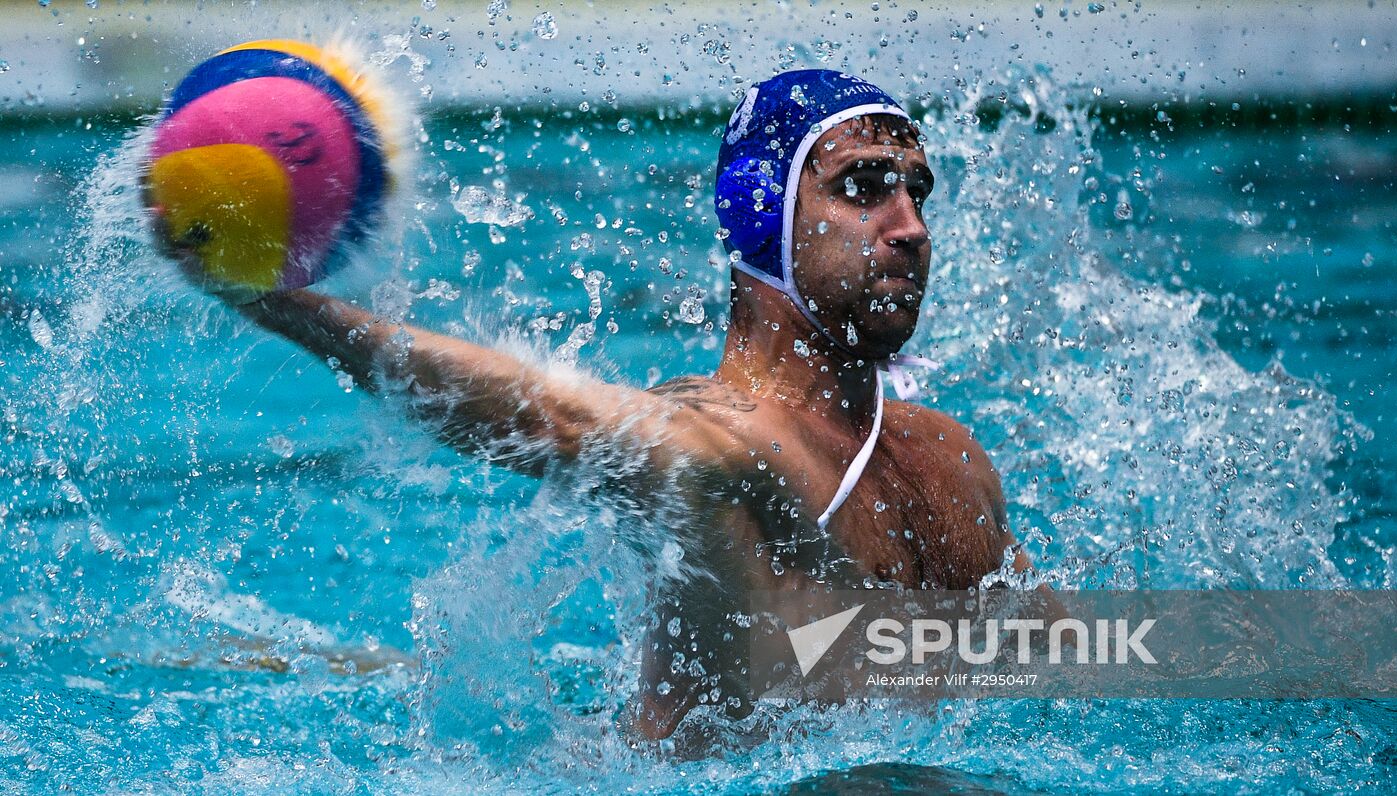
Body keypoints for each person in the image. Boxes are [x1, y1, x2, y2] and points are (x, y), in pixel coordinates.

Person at [184, 70, 1033, 741]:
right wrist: (277, 303)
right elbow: (558, 419)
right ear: (758, 211)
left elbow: (1063, 655)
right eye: (864, 186)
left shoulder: (948, 461)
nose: (911, 225)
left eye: (918, 191)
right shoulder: (722, 441)